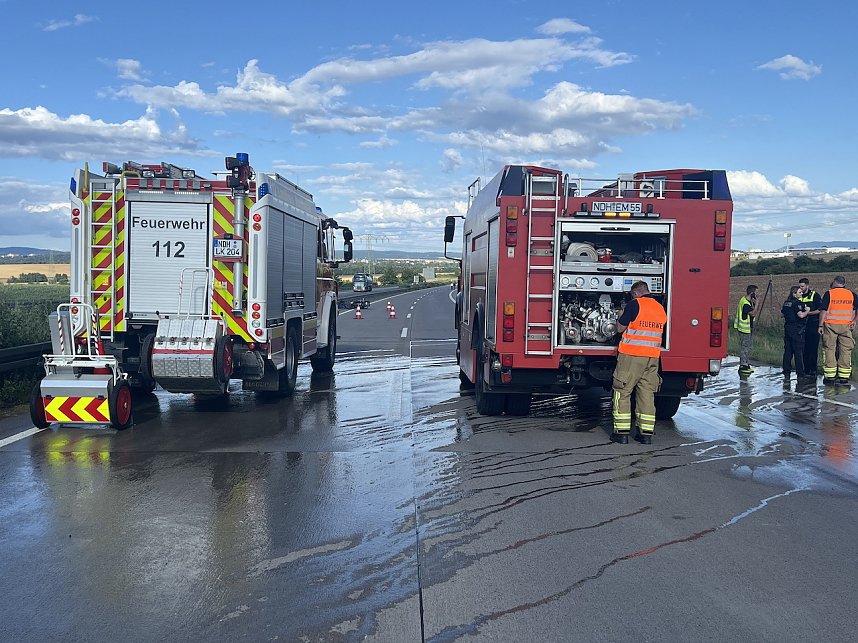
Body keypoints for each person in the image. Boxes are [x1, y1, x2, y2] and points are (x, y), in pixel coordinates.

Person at [611, 281, 667, 445]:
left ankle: (621, 433)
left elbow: (620, 328)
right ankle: (646, 434)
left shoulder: (634, 305)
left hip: (632, 355)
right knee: (646, 393)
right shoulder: (659, 308)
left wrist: (620, 315)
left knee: (622, 391)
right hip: (652, 357)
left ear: (635, 293)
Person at [818, 275, 857, 385]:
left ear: (834, 282)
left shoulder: (829, 294)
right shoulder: (851, 294)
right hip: (846, 326)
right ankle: (844, 377)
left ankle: (830, 376)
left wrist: (820, 325)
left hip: (831, 325)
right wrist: (854, 320)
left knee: (829, 349)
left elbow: (823, 311)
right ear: (844, 284)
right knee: (846, 350)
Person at [781, 285, 809, 379]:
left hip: (788, 328)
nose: (802, 294)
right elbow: (801, 315)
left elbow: (783, 313)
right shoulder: (798, 303)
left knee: (788, 351)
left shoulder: (786, 303)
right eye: (799, 292)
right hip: (797, 329)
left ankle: (786, 371)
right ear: (794, 294)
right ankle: (800, 373)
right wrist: (807, 311)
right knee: (798, 351)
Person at [734, 284, 761, 375]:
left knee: (748, 347)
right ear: (752, 293)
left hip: (748, 328)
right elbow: (753, 313)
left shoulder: (748, 301)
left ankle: (746, 363)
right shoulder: (745, 303)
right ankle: (743, 365)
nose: (758, 295)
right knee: (745, 347)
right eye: (757, 293)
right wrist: (757, 302)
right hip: (744, 329)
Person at [798, 277, 822, 376]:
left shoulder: (815, 295)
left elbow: (820, 310)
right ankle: (805, 369)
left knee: (812, 349)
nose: (801, 288)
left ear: (807, 286)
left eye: (802, 286)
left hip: (813, 324)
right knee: (803, 348)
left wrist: (808, 313)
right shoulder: (798, 295)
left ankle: (812, 370)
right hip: (802, 326)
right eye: (800, 286)